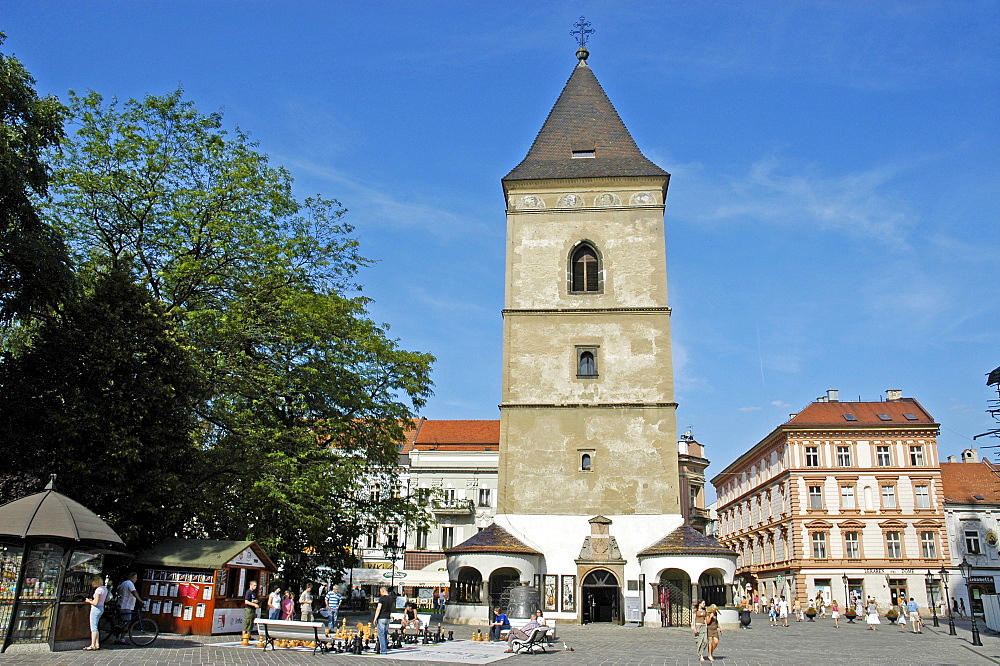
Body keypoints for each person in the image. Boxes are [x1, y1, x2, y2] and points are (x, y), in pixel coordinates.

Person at [116, 572, 144, 641]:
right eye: (135, 578)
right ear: (132, 578)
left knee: (121, 622)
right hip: (126, 606)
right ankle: (122, 639)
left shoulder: (123, 583)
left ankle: (117, 638)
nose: (136, 579)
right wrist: (140, 600)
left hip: (121, 604)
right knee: (127, 622)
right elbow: (134, 592)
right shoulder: (129, 583)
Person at [83, 574, 107, 651]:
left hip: (96, 609)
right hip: (101, 608)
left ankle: (92, 644)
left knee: (93, 627)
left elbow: (96, 602)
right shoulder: (104, 589)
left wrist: (88, 601)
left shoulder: (98, 590)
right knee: (96, 626)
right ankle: (97, 644)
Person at [373, 586, 396, 653]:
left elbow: (378, 609)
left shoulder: (382, 599)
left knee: (381, 634)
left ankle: (383, 649)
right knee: (385, 633)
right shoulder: (391, 598)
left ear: (383, 591)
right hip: (388, 617)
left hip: (381, 617)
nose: (380, 593)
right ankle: (385, 646)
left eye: (380, 592)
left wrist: (375, 618)